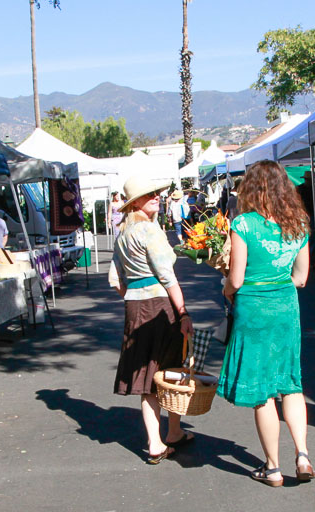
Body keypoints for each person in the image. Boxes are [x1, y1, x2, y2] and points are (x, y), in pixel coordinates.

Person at [219, 160, 313, 487]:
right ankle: (302, 454)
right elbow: (301, 277)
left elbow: (237, 277)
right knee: (290, 382)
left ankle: (273, 467)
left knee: (262, 390)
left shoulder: (243, 224)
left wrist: (226, 289)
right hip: (286, 306)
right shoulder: (299, 222)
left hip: (254, 308)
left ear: (251, 188)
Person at [111, 174, 194, 464]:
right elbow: (167, 276)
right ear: (135, 203)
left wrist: (134, 294)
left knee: (147, 374)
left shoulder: (122, 235)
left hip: (134, 306)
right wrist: (183, 312)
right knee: (169, 370)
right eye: (150, 195)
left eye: (156, 193)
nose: (157, 197)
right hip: (159, 305)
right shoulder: (149, 231)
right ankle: (170, 433)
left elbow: (115, 280)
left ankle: (157, 440)